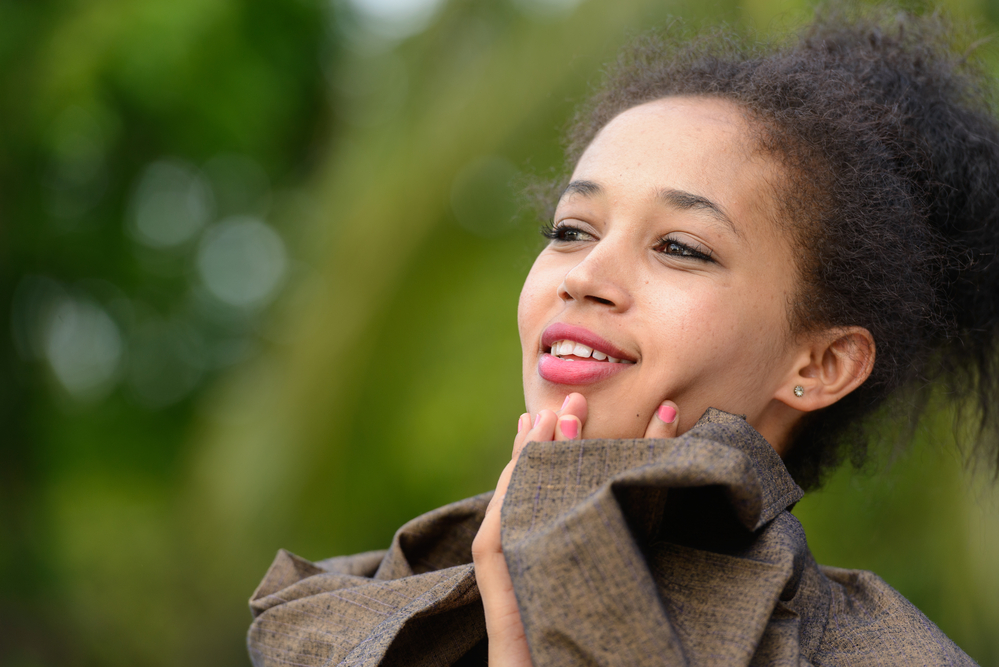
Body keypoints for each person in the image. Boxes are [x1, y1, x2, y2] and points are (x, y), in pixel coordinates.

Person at [246, 6, 999, 665]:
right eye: (571, 230)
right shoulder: (351, 614)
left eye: (679, 247)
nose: (585, 275)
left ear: (822, 362)